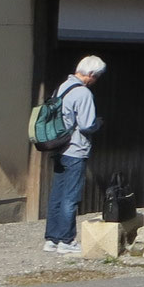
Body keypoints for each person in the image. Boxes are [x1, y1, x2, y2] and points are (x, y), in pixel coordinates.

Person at [42, 56, 105, 255]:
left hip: (59, 147)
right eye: (97, 77)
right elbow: (86, 125)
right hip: (75, 149)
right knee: (71, 196)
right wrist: (99, 124)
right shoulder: (83, 93)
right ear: (92, 75)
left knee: (57, 196)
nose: (96, 81)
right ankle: (66, 241)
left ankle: (51, 239)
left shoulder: (62, 88)